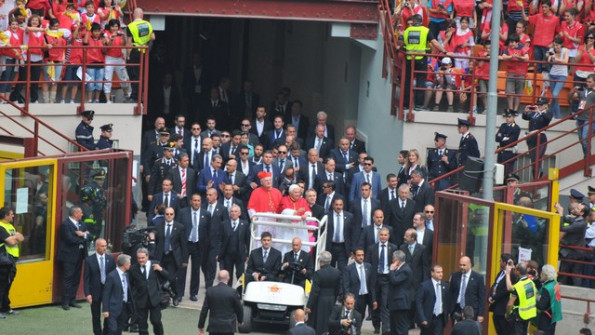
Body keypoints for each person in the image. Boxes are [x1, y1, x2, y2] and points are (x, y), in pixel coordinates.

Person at [400, 14, 447, 110]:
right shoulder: (425, 30)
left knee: (407, 82)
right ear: (421, 21)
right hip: (421, 59)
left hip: (409, 59)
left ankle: (405, 105)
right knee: (420, 82)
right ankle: (418, 105)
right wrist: (444, 50)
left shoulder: (407, 31)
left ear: (413, 21)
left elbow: (403, 45)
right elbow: (434, 43)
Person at [150, 206, 187, 306]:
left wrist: (185, 260)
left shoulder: (179, 227)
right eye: (167, 214)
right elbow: (156, 241)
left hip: (173, 256)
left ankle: (175, 295)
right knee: (160, 276)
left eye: (171, 214)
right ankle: (163, 296)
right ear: (164, 215)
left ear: (174, 215)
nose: (169, 216)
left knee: (171, 277)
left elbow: (183, 244)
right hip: (161, 255)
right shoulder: (158, 225)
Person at [177, 194, 210, 301]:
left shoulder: (206, 214)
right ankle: (179, 293)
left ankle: (193, 293)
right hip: (185, 244)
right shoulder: (183, 212)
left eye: (198, 201)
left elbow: (208, 231)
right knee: (182, 269)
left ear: (201, 202)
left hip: (198, 245)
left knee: (196, 270)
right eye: (194, 200)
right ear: (190, 201)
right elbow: (178, 229)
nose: (196, 203)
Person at [57, 206, 92, 310]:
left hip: (80, 255)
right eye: (80, 213)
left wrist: (83, 235)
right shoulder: (65, 225)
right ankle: (65, 302)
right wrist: (83, 237)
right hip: (68, 256)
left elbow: (90, 237)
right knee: (68, 278)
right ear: (75, 214)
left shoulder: (82, 224)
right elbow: (69, 239)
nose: (82, 214)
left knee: (76, 278)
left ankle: (73, 300)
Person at [129, 247, 168, 335]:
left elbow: (168, 277)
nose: (140, 260)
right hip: (140, 300)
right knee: (142, 326)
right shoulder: (133, 269)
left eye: (142, 258)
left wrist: (160, 269)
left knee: (156, 321)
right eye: (138, 258)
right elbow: (130, 284)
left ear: (147, 257)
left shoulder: (156, 265)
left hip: (154, 300)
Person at [368, 227, 398, 335]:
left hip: (387, 278)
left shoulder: (393, 248)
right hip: (375, 278)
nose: (383, 237)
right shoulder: (372, 248)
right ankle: (376, 326)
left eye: (385, 235)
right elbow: (369, 263)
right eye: (381, 235)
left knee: (385, 304)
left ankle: (385, 329)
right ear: (378, 235)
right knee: (375, 303)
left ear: (389, 236)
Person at [84, 238, 116, 335]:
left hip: (107, 291)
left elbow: (113, 276)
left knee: (108, 314)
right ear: (97, 247)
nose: (104, 248)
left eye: (105, 246)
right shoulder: (89, 260)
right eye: (102, 246)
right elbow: (86, 278)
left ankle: (106, 332)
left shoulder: (110, 259)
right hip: (95, 292)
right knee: (96, 316)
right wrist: (87, 293)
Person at [306, 251, 343, 335]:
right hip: (332, 299)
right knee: (329, 320)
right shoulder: (337, 272)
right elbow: (339, 288)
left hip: (320, 300)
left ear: (320, 260)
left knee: (319, 322)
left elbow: (315, 291)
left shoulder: (318, 273)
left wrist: (309, 306)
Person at [198, 270, 243, 335]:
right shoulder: (233, 292)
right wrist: (240, 321)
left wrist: (200, 326)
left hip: (214, 327)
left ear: (218, 278)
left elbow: (204, 311)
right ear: (228, 279)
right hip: (228, 327)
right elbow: (239, 308)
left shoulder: (210, 291)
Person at [126, 8, 155, 101]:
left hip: (135, 51)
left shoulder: (131, 26)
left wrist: (128, 55)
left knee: (133, 74)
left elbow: (129, 42)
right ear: (142, 15)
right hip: (145, 51)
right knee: (141, 74)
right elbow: (153, 37)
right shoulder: (148, 24)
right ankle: (139, 95)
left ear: (134, 15)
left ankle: (135, 96)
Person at [0, 207, 23, 318]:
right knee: (1, 286)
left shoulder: (10, 226)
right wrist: (16, 237)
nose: (13, 216)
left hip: (11, 260)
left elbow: (21, 238)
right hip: (3, 261)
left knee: (7, 286)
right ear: (6, 215)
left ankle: (6, 308)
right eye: (11, 214)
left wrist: (16, 238)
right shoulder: (1, 227)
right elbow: (12, 241)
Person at [522, 97, 553, 180]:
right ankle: (535, 177)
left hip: (540, 137)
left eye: (541, 105)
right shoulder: (534, 113)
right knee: (533, 160)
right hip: (531, 137)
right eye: (538, 104)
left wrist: (539, 112)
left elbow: (547, 119)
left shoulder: (547, 113)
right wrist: (525, 111)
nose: (539, 106)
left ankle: (538, 176)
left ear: (546, 105)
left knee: (537, 159)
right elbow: (525, 117)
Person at [219, 204, 250, 284]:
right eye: (232, 211)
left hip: (240, 255)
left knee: (240, 275)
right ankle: (228, 293)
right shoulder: (224, 224)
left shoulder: (245, 224)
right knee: (228, 275)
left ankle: (240, 292)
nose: (233, 213)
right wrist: (218, 253)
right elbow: (220, 239)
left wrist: (247, 254)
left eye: (236, 211)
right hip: (227, 254)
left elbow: (248, 240)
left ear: (239, 213)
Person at [448, 256, 485, 322]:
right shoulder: (455, 276)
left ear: (470, 265)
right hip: (457, 309)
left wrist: (480, 314)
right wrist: (449, 310)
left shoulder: (478, 278)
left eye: (464, 265)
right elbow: (451, 293)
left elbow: (481, 297)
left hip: (471, 311)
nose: (462, 267)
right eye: (460, 265)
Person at [102, 254, 132, 335]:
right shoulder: (111, 276)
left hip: (124, 307)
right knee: (113, 330)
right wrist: (105, 310)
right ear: (124, 264)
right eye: (129, 263)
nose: (130, 264)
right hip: (112, 308)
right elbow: (106, 293)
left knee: (119, 330)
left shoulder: (127, 275)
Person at [415, 265, 449, 335]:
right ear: (432, 273)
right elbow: (418, 303)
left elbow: (447, 301)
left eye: (442, 272)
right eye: (438, 272)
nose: (441, 274)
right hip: (428, 318)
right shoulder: (424, 286)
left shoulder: (445, 286)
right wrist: (422, 318)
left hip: (440, 318)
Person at [506, 262, 538, 335]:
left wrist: (507, 313)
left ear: (518, 272)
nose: (514, 271)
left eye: (515, 269)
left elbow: (510, 304)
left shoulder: (518, 286)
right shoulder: (531, 283)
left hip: (519, 316)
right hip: (528, 315)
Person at [488, 254, 516, 335]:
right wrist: (489, 295)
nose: (499, 262)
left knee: (504, 331)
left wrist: (494, 297)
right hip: (496, 308)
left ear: (504, 263)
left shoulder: (511, 275)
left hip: (503, 309)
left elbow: (506, 290)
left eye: (501, 261)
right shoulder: (500, 273)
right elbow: (495, 285)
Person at [388, 250, 413, 335]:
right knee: (394, 327)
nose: (392, 260)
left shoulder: (405, 269)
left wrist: (391, 270)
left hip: (400, 303)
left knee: (401, 327)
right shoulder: (399, 268)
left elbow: (395, 281)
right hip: (395, 303)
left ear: (397, 260)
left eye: (393, 258)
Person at [343, 248, 372, 321]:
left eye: (362, 255)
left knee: (361, 316)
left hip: (365, 297)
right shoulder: (348, 269)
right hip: (354, 297)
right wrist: (347, 297)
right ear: (354, 256)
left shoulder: (368, 266)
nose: (361, 257)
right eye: (359, 255)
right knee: (351, 316)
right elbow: (346, 284)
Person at [326, 198, 354, 272]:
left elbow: (352, 233)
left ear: (343, 205)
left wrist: (352, 249)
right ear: (333, 205)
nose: (339, 207)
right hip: (331, 247)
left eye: (340, 205)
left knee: (343, 270)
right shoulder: (327, 216)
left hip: (343, 247)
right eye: (337, 205)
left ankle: (341, 284)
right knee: (329, 269)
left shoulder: (349, 216)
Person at [536, 264, 562, 334]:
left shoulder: (547, 289)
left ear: (545, 275)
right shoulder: (555, 283)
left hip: (546, 319)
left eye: (542, 273)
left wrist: (533, 299)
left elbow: (542, 306)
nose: (540, 274)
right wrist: (536, 280)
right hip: (553, 317)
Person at [496, 110, 521, 176]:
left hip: (509, 153)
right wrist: (505, 138)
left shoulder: (516, 127)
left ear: (513, 117)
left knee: (507, 173)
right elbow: (497, 138)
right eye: (506, 117)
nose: (507, 118)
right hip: (501, 152)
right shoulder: (503, 125)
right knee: (499, 173)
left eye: (509, 117)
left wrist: (502, 138)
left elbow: (511, 140)